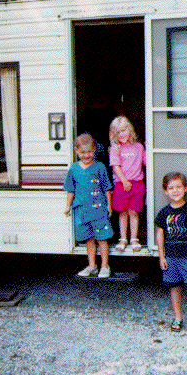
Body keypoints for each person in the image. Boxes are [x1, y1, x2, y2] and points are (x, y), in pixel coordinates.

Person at [155, 172, 187, 335]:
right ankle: (178, 317)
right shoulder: (164, 213)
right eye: (171, 188)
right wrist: (162, 256)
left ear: (185, 189)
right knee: (175, 287)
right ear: (165, 191)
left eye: (179, 187)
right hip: (171, 258)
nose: (175, 191)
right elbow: (160, 235)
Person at [63, 133, 113, 278]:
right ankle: (92, 265)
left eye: (90, 152)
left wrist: (109, 206)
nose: (86, 155)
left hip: (99, 209)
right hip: (82, 211)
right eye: (83, 152)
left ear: (95, 150)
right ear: (76, 151)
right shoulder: (73, 169)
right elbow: (70, 190)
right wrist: (68, 206)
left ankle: (105, 266)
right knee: (89, 240)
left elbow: (107, 188)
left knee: (102, 238)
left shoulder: (99, 167)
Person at [109, 116, 146, 252]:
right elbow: (115, 166)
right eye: (118, 132)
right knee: (123, 213)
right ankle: (123, 238)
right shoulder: (115, 148)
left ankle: (134, 238)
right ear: (114, 134)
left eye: (124, 130)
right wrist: (124, 181)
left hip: (136, 184)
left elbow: (145, 162)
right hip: (121, 184)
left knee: (134, 212)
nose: (122, 134)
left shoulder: (138, 147)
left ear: (129, 130)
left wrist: (148, 148)